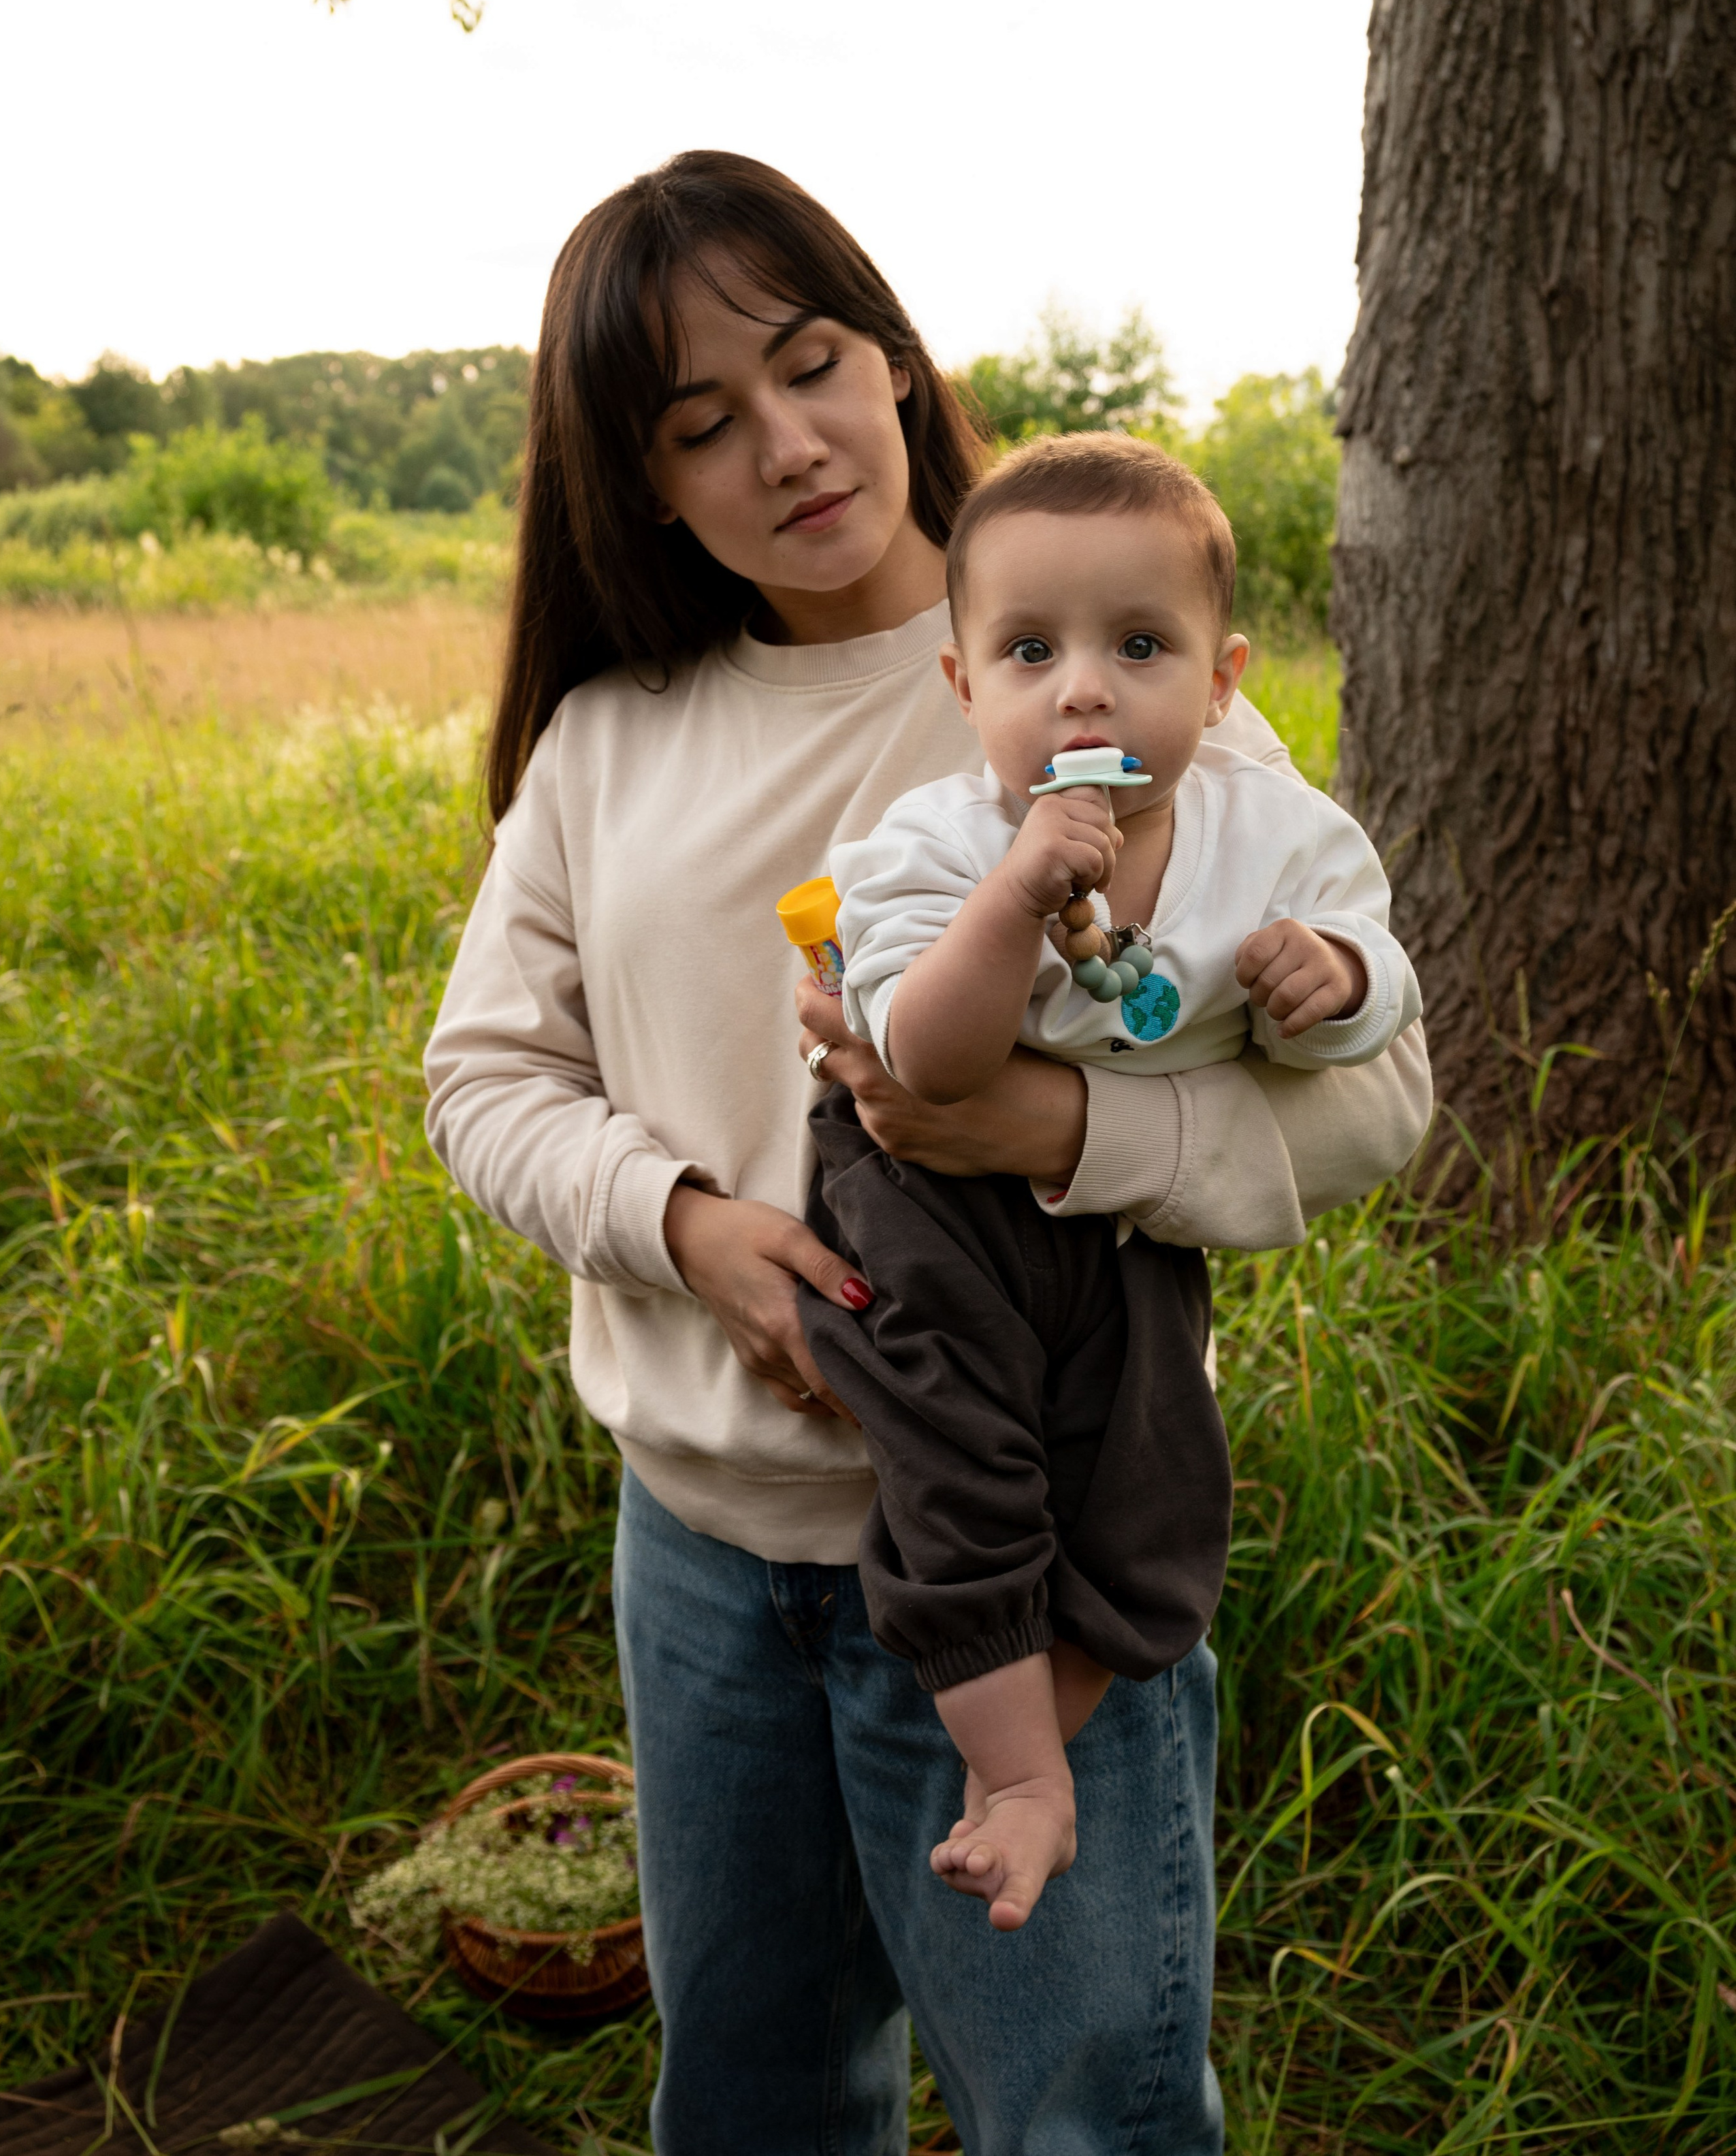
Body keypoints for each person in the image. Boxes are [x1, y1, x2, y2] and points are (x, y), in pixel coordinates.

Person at [423, 150, 1432, 2156]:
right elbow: (485, 1079)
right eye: (699, 423)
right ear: (637, 483)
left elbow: (1374, 1109)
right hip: (707, 1560)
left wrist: (1047, 1121)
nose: (784, 446)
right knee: (756, 2096)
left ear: (890, 358)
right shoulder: (611, 737)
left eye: (808, 366)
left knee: (1084, 2114)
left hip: (1035, 1547)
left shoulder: (1100, 661)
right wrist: (691, 1228)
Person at [801, 431, 1422, 1936]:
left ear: (1219, 681)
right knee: (959, 1462)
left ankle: (1059, 1718)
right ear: (966, 689)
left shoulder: (1268, 828)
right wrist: (1014, 896)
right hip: (926, 1198)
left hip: (1131, 1213)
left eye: (1136, 644)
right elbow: (921, 1066)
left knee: (1146, 1471)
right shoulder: (929, 849)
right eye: (1029, 650)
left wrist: (1328, 974)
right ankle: (1016, 1777)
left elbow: (1384, 982)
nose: (1081, 687)